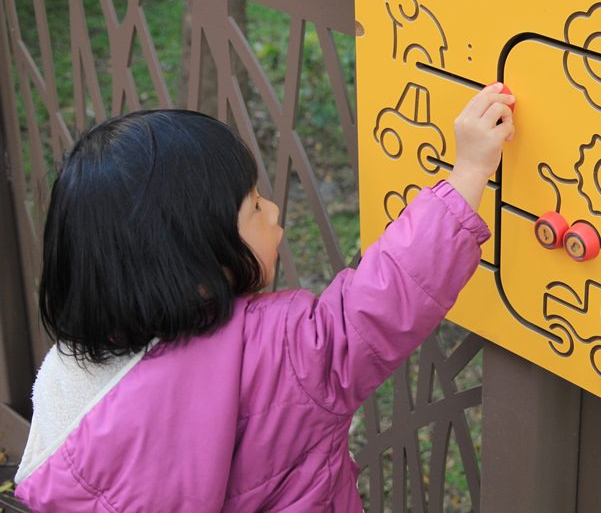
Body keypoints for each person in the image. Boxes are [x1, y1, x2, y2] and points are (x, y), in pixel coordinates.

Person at [13, 83, 515, 511]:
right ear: (194, 256)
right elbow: (380, 302)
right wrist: (469, 172)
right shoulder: (277, 351)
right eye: (253, 205)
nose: (274, 212)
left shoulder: (73, 386)